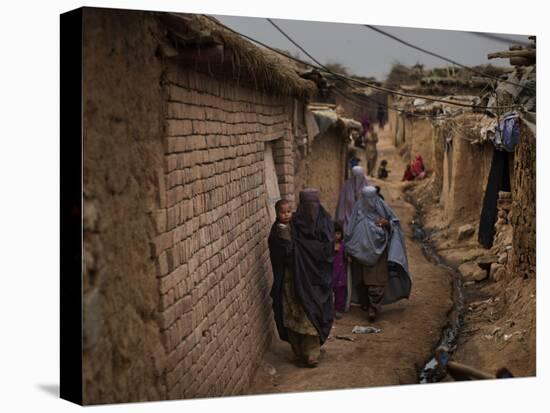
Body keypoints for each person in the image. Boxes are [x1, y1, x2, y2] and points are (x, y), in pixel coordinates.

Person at [270, 189, 335, 367]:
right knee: (295, 314)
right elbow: (281, 245)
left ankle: (312, 353)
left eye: (312, 204)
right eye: (306, 205)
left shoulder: (324, 221)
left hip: (315, 280)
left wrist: (308, 254)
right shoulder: (294, 222)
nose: (310, 209)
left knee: (312, 312)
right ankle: (299, 352)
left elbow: (328, 248)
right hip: (293, 279)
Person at [345, 186, 412, 322]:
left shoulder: (382, 208)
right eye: (365, 198)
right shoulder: (358, 210)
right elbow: (349, 231)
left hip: (379, 253)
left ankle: (373, 308)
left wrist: (386, 223)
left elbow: (394, 224)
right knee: (361, 281)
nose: (368, 202)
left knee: (376, 282)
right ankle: (366, 303)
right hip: (360, 253)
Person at [268, 199, 294, 346]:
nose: (286, 215)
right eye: (282, 212)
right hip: (283, 275)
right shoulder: (277, 232)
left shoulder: (291, 226)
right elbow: (283, 255)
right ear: (277, 213)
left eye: (288, 212)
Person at [335, 165, 369, 234]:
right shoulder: (346, 187)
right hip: (347, 223)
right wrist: (340, 219)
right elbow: (341, 204)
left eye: (360, 177)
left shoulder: (367, 189)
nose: (357, 180)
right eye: (355, 177)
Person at [332, 222, 347, 319]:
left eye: (338, 233)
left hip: (340, 272)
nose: (336, 236)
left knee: (340, 291)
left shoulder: (343, 245)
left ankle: (338, 309)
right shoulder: (328, 245)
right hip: (330, 272)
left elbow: (346, 255)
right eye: (334, 233)